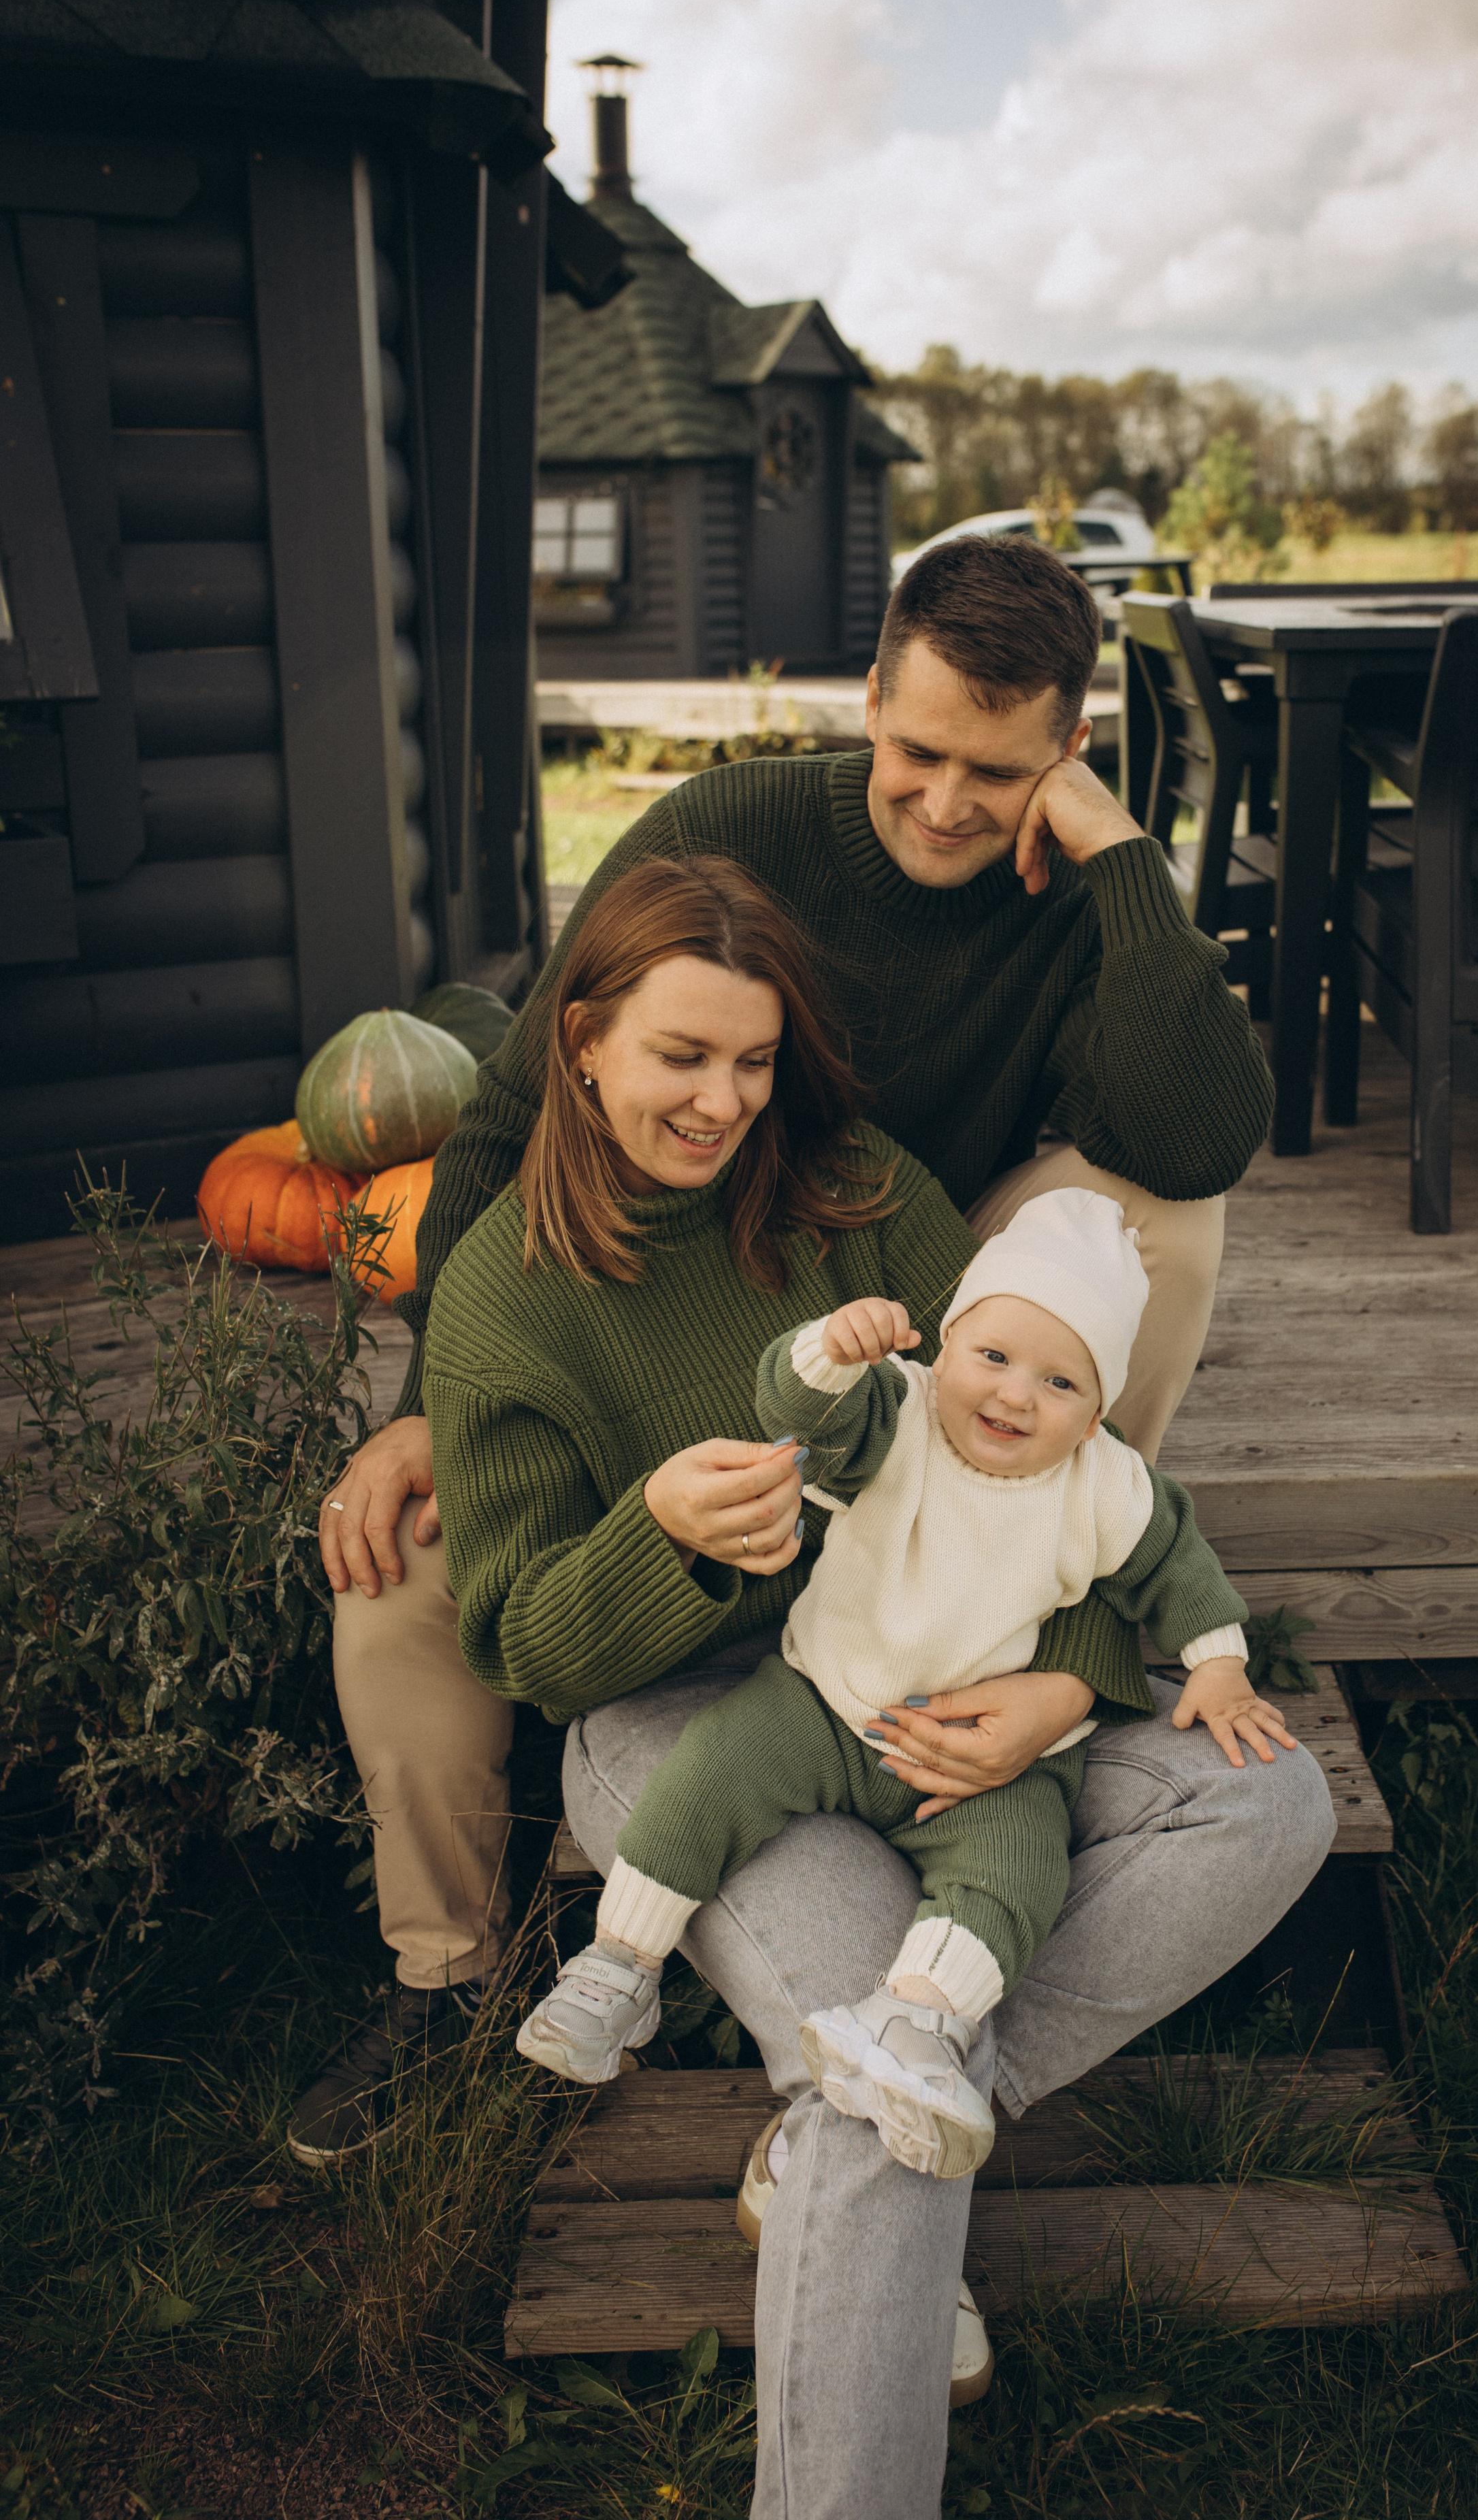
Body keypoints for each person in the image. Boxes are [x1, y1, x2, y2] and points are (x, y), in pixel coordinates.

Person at [299, 531, 1277, 2169]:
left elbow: (1197, 1131)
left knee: (1165, 1218)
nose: (950, 804)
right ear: (866, 699)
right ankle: (446, 1979)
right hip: (651, 1277)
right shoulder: (721, 840)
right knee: (400, 1581)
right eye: (915, 753)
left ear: (1068, 752)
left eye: (999, 769)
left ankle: (1054, 1541)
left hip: (887, 1245)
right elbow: (510, 1118)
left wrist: (1118, 863)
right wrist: (428, 1402)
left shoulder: (1052, 894)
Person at [413, 851, 1330, 2513]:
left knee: (1268, 1800)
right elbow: (524, 1649)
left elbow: (1036, 1456)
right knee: (880, 2074)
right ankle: (890, 2126)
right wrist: (666, 1541)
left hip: (957, 1680)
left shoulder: (840, 1180)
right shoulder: (501, 1305)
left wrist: (1064, 1684)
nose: (722, 1102)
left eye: (752, 1061)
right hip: (693, 1723)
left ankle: (879, 2090)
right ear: (583, 1042)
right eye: (681, 1059)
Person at [518, 1190, 1279, 2195]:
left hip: (984, 1757)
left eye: (1060, 1382)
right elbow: (803, 1415)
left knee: (1016, 1870)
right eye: (994, 1358)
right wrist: (834, 1349)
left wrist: (1218, 1659)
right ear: (949, 1344)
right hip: (825, 1704)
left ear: (1097, 1413)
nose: (1014, 1397)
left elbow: (1175, 1565)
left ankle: (915, 2023)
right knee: (707, 1774)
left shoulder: (1105, 1485)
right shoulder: (904, 1411)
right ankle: (621, 1966)